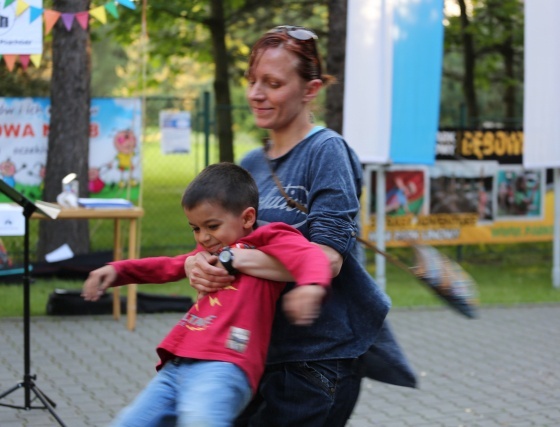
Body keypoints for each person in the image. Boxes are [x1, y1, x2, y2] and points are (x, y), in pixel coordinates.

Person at [85, 25, 415, 427]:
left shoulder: (326, 150)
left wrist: (228, 260)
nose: (257, 93)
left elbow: (326, 261)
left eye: (273, 83)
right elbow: (226, 244)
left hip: (316, 356)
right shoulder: (252, 164)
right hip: (251, 352)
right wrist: (196, 264)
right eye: (252, 81)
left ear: (310, 90)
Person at [82, 162, 332, 427]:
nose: (203, 237)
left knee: (200, 421)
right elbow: (167, 266)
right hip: (177, 364)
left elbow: (311, 255)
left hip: (225, 364)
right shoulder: (209, 255)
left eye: (211, 226)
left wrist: (311, 286)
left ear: (247, 218)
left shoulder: (269, 237)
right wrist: (117, 271)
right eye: (195, 228)